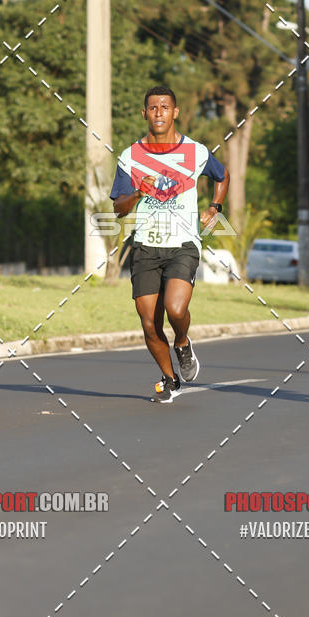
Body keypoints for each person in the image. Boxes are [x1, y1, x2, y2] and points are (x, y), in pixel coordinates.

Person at [110, 85, 230, 403]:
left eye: (165, 107)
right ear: (144, 113)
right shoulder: (130, 157)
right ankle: (170, 379)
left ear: (175, 112)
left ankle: (182, 343)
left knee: (176, 309)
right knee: (150, 323)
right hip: (145, 247)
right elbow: (118, 208)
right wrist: (138, 192)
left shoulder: (194, 152)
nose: (159, 112)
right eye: (153, 108)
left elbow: (222, 175)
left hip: (183, 243)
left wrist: (214, 207)